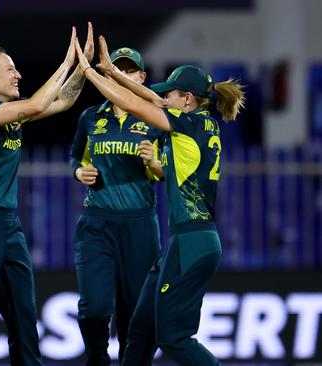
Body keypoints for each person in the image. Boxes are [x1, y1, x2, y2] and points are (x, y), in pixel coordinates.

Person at [75, 36, 245, 366]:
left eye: (171, 93)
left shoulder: (186, 125)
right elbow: (151, 98)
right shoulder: (198, 122)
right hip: (187, 242)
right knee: (140, 331)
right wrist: (112, 70)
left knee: (173, 338)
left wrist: (90, 73)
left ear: (188, 99)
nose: (163, 96)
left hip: (191, 243)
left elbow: (141, 105)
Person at [0, 24, 93, 366]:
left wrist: (83, 68)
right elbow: (39, 105)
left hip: (7, 225)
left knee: (24, 317)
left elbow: (64, 100)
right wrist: (67, 60)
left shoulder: (10, 117)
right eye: (9, 69)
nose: (18, 74)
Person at [70, 46, 162, 365]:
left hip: (139, 224)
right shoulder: (91, 117)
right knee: (94, 307)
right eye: (116, 69)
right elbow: (75, 156)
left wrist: (155, 163)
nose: (121, 75)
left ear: (142, 77)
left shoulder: (153, 119)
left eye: (128, 70)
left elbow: (171, 173)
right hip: (97, 221)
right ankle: (97, 358)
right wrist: (79, 171)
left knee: (136, 311)